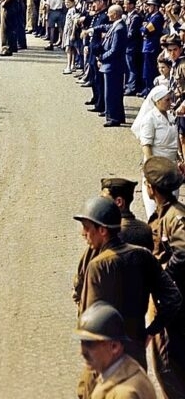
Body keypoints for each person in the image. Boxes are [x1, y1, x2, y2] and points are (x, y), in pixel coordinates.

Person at [72, 195, 181, 383]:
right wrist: (150, 331)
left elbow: (88, 320)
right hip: (136, 357)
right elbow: (173, 298)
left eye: (87, 228)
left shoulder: (97, 266)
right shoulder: (144, 256)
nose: (83, 234)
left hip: (105, 364)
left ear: (103, 230)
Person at [143, 156, 185, 398]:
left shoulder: (175, 217)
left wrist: (164, 277)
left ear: (151, 188)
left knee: (168, 367)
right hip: (169, 299)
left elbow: (183, 252)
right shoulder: (164, 213)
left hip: (173, 302)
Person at [74, 301, 156, 399]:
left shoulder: (124, 394)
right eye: (82, 342)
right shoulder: (114, 373)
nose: (82, 352)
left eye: (90, 344)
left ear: (114, 347)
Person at [131, 84, 182, 219]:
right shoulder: (150, 119)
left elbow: (174, 140)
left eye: (170, 99)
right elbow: (146, 144)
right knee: (156, 211)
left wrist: (179, 157)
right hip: (158, 167)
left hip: (171, 168)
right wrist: (151, 168)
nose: (170, 103)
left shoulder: (170, 117)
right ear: (157, 101)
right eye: (167, 100)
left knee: (171, 208)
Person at [100, 177, 153, 250]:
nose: (100, 203)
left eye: (104, 199)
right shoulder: (146, 229)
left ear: (119, 202)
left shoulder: (109, 232)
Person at [99, 4, 128, 127]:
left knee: (111, 93)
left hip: (113, 65)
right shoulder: (116, 26)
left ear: (115, 14)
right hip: (111, 65)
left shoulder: (119, 28)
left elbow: (115, 50)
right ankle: (117, 116)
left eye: (109, 13)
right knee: (114, 92)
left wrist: (102, 57)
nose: (107, 15)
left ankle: (113, 117)